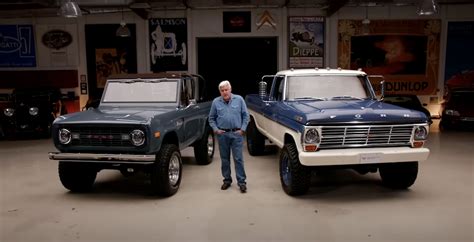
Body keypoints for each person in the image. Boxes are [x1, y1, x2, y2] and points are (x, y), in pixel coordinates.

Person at [208, 80, 250, 193]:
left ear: (230, 90)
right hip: (223, 135)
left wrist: (242, 129)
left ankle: (242, 182)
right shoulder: (216, 102)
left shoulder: (239, 99)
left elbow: (246, 116)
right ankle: (227, 180)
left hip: (237, 134)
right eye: (222, 90)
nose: (225, 92)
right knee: (225, 159)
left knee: (238, 159)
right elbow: (211, 118)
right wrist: (216, 130)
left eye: (226, 90)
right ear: (220, 92)